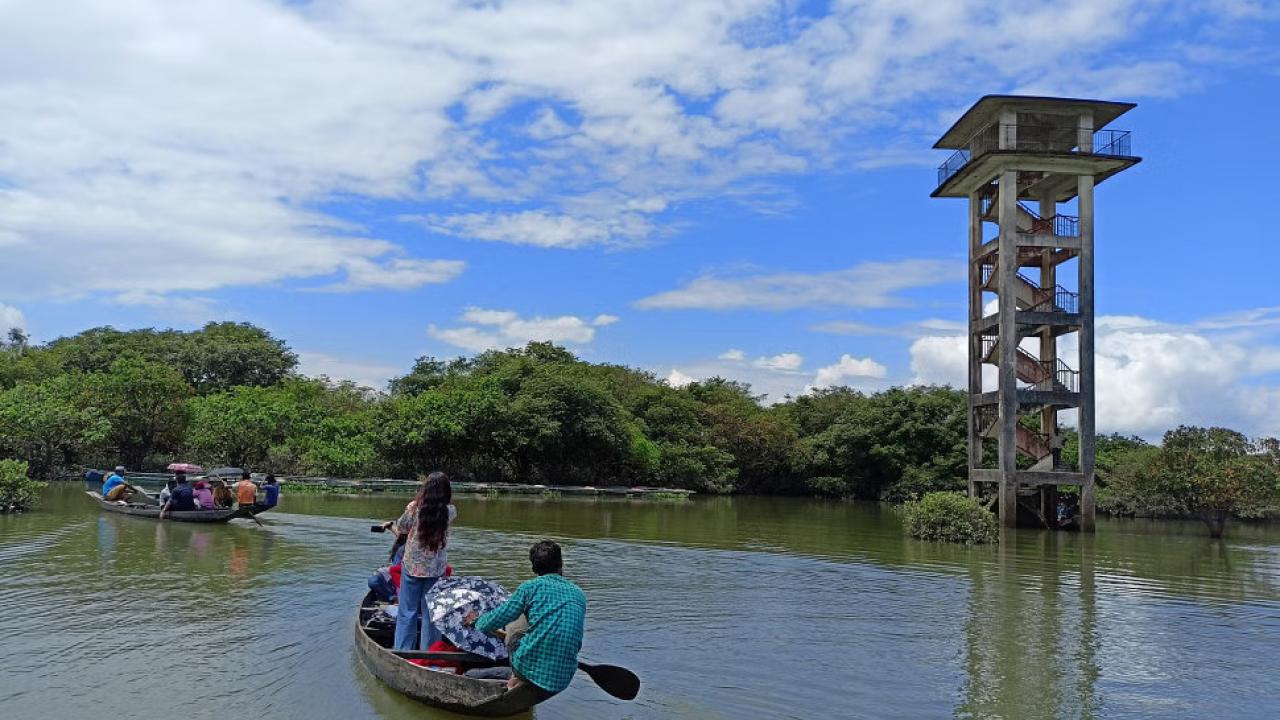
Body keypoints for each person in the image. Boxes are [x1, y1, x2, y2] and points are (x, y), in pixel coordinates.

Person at [464, 541, 586, 700]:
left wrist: (477, 621)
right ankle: (519, 677)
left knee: (515, 621)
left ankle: (516, 675)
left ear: (534, 568)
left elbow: (498, 617)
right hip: (563, 677)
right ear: (561, 564)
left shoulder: (529, 588)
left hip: (527, 667)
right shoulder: (578, 594)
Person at [386, 471, 456, 651]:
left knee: (407, 612)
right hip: (436, 569)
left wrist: (409, 508)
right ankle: (429, 652)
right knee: (431, 614)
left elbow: (401, 527)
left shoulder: (415, 510)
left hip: (412, 568)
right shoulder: (450, 511)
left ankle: (403, 650)